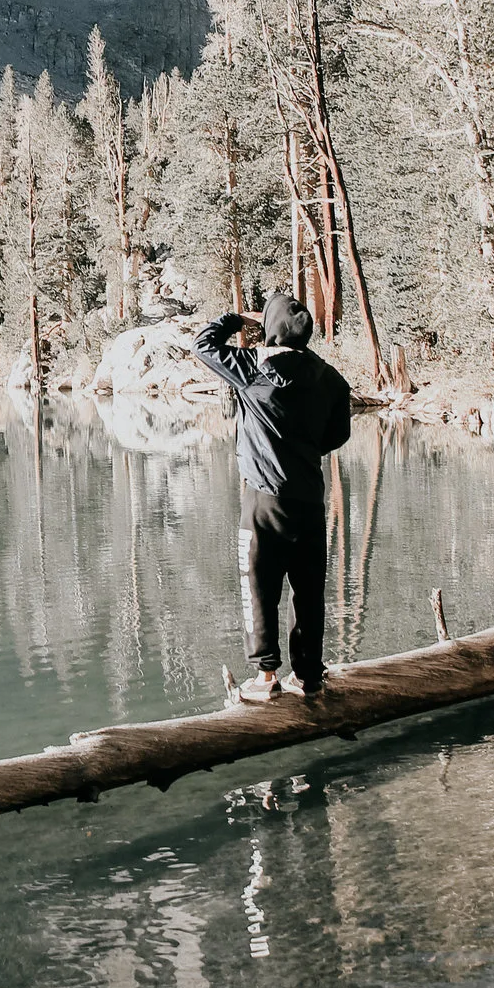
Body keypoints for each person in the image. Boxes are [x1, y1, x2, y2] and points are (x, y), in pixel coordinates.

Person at [192, 293, 353, 701]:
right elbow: (338, 435)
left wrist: (234, 317)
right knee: (309, 588)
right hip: (310, 501)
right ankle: (310, 676)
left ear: (271, 328)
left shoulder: (254, 369)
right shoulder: (331, 377)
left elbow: (203, 344)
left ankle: (267, 677)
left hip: (264, 499)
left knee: (259, 584)